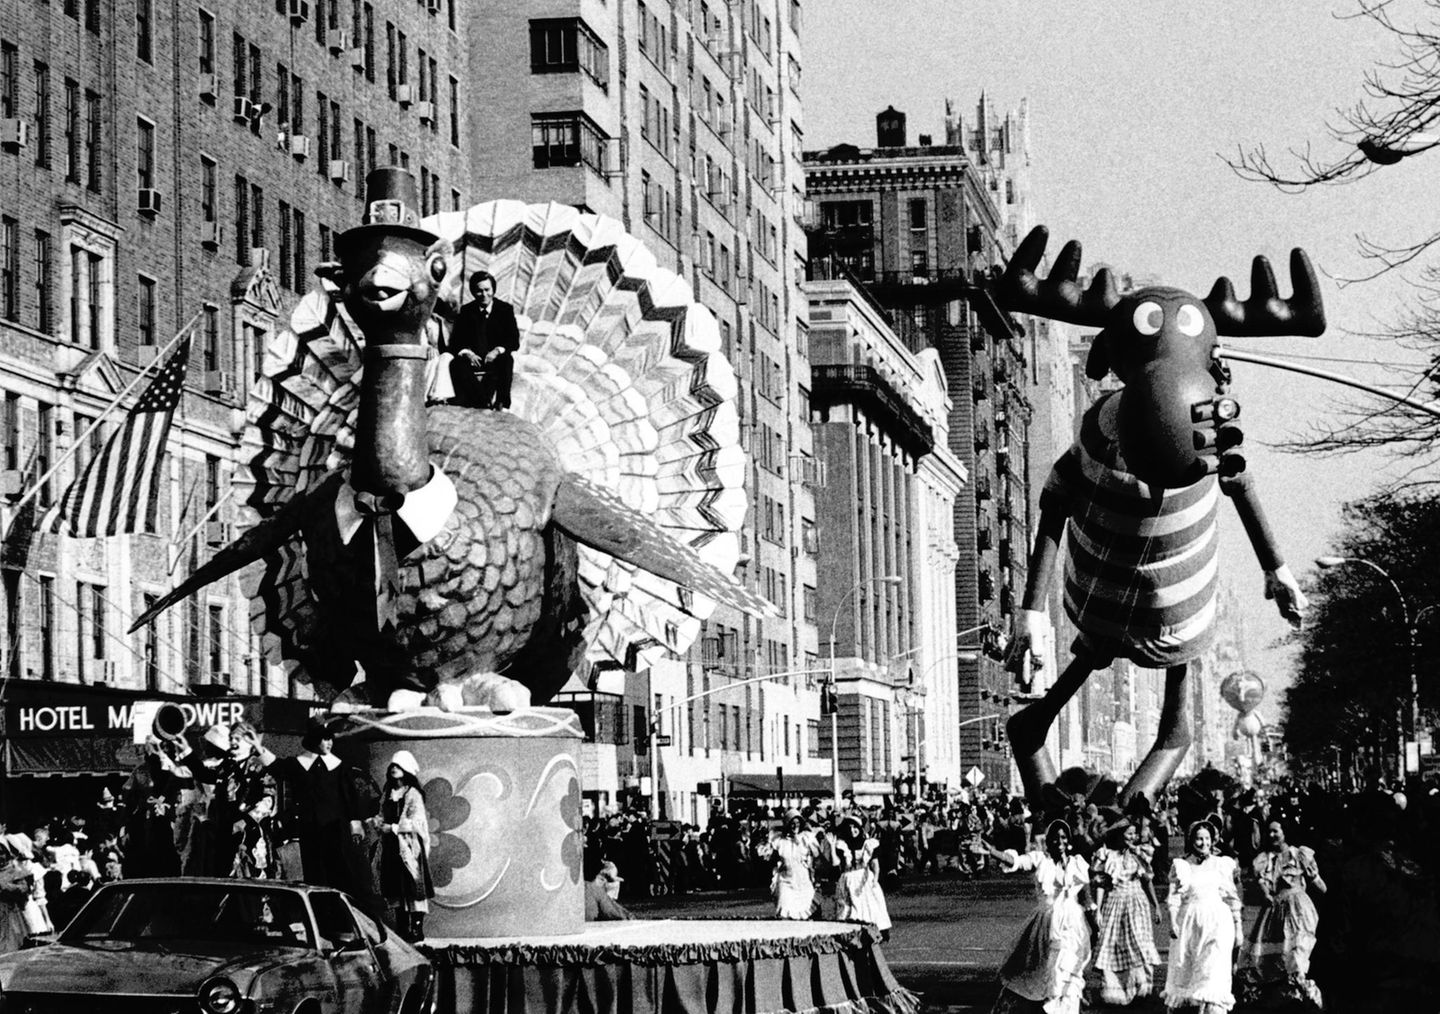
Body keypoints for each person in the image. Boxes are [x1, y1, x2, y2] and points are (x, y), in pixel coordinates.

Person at [975, 819, 1096, 1014]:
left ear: (1069, 841)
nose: (1060, 842)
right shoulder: (1041, 860)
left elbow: (1086, 899)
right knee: (1042, 970)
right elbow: (1016, 862)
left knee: (1066, 969)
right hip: (1045, 925)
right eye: (1055, 839)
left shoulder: (1078, 864)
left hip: (1072, 927)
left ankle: (1066, 1007)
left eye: (1064, 838)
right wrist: (993, 852)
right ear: (1048, 842)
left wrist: (1094, 926)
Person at [269, 719, 376, 903]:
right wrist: (258, 747)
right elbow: (277, 767)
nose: (329, 743)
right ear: (314, 741)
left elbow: (349, 797)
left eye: (330, 739)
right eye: (324, 739)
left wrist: (355, 823)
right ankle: (320, 919)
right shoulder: (299, 764)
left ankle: (342, 918)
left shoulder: (339, 766)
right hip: (309, 829)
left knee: (339, 872)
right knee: (314, 873)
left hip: (335, 828)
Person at [1238, 818, 1324, 1009]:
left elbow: (1317, 883)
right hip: (1276, 910)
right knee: (1275, 956)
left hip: (1298, 909)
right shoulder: (1265, 859)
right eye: (1269, 831)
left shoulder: (1298, 854)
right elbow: (1263, 885)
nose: (1272, 835)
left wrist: (1325, 888)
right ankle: (1286, 996)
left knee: (1298, 950)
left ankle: (1304, 993)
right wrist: (1266, 893)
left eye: (1276, 831)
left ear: (1285, 832)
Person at [1164, 820, 1242, 1014]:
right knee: (1187, 968)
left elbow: (1232, 898)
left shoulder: (1221, 864)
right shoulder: (1181, 865)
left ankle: (1213, 1008)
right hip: (1189, 922)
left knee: (1213, 967)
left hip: (1217, 921)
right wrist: (1173, 922)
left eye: (1207, 838)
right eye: (1199, 839)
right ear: (1191, 840)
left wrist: (1238, 927)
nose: (1204, 843)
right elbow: (1174, 897)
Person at [1091, 819, 1161, 1006]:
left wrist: (1156, 906)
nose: (1132, 837)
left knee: (1139, 942)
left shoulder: (1140, 854)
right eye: (1128, 833)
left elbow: (1147, 881)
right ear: (1120, 835)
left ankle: (1142, 988)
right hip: (1115, 901)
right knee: (1113, 944)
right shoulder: (1107, 855)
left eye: (1134, 834)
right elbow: (1101, 884)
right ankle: (1117, 991)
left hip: (1136, 902)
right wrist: (1097, 909)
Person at [373, 750, 434, 942]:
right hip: (391, 847)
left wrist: (392, 827)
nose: (393, 769)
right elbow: (380, 814)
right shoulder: (388, 793)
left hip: (409, 848)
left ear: (406, 769)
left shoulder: (413, 793)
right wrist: (377, 823)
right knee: (395, 887)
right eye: (392, 766)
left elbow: (417, 822)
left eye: (398, 766)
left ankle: (416, 928)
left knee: (412, 885)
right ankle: (402, 927)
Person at [446, 271, 520, 410]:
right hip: (474, 360)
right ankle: (482, 402)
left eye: (487, 290)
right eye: (479, 291)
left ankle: (501, 402)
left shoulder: (505, 310)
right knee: (456, 364)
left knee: (507, 360)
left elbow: (514, 341)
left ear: (493, 290)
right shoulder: (467, 311)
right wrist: (468, 353)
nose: (484, 294)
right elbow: (456, 342)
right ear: (473, 292)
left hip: (495, 359)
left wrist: (497, 351)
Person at [833, 816, 892, 941]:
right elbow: (835, 864)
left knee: (870, 904)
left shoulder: (868, 844)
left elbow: (875, 864)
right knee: (849, 906)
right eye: (849, 828)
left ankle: (874, 931)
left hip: (863, 877)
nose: (852, 830)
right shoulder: (841, 845)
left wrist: (875, 879)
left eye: (855, 827)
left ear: (859, 829)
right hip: (848, 877)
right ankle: (851, 933)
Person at [768, 810, 818, 920]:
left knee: (805, 911)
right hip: (786, 879)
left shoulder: (807, 838)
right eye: (792, 823)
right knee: (785, 910)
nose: (795, 826)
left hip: (802, 879)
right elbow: (771, 859)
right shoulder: (779, 840)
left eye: (798, 823)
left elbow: (817, 855)